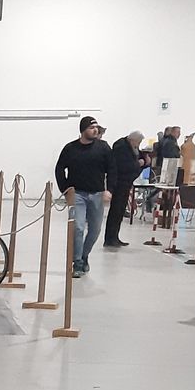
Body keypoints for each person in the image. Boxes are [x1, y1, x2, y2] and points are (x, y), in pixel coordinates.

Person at [55, 116, 113, 275]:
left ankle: (84, 255)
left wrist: (109, 190)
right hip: (77, 195)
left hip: (97, 194)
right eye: (91, 128)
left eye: (96, 128)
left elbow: (112, 169)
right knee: (78, 227)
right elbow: (59, 168)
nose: (95, 130)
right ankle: (78, 263)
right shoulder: (70, 148)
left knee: (95, 230)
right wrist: (65, 190)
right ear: (83, 130)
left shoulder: (103, 148)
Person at [105, 130, 144, 248]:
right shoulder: (121, 147)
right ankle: (110, 238)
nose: (138, 145)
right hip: (119, 183)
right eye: (138, 142)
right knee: (115, 211)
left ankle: (115, 237)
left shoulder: (130, 147)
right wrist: (139, 164)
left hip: (126, 183)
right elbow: (124, 166)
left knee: (120, 211)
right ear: (132, 140)